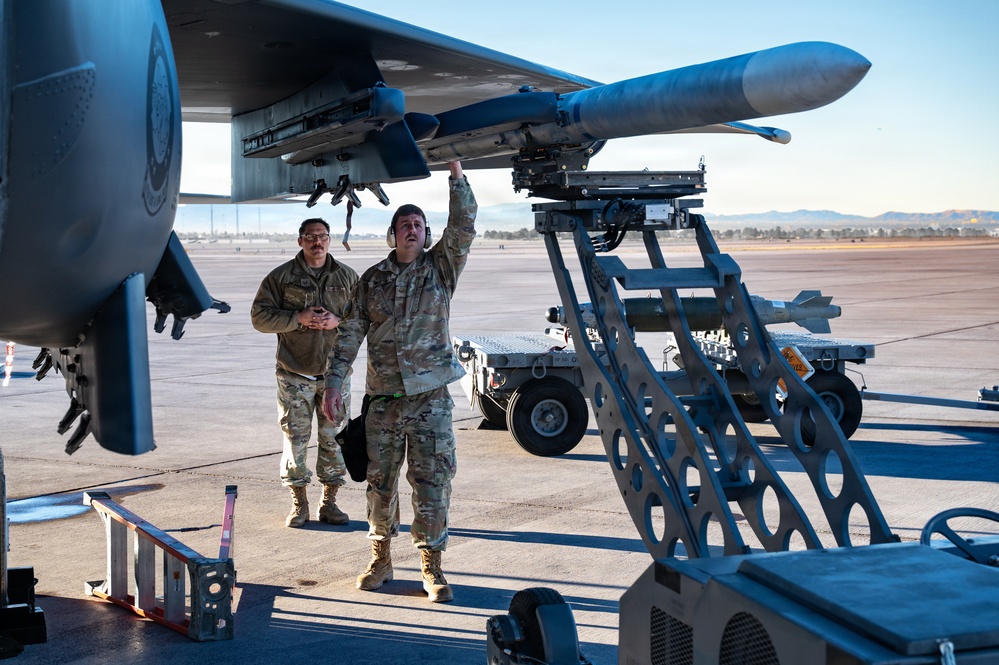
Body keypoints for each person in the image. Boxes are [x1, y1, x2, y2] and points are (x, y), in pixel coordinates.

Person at [322, 161, 476, 603]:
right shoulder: (372, 280)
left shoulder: (441, 268)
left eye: (419, 225)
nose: (412, 230)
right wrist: (333, 383)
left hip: (430, 401)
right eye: (404, 225)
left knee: (432, 484)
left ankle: (432, 566)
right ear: (393, 234)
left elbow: (463, 226)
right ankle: (381, 559)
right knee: (380, 484)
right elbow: (349, 334)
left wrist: (456, 176)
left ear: (427, 235)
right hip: (384, 402)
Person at [251, 218, 359, 528]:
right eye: (310, 236)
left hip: (335, 377)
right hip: (294, 375)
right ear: (300, 241)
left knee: (334, 440)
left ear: (329, 240)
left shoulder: (347, 277)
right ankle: (299, 502)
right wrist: (298, 317)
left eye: (322, 236)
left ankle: (330, 502)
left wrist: (337, 321)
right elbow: (259, 317)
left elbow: (365, 317)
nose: (317, 242)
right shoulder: (281, 277)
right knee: (295, 440)